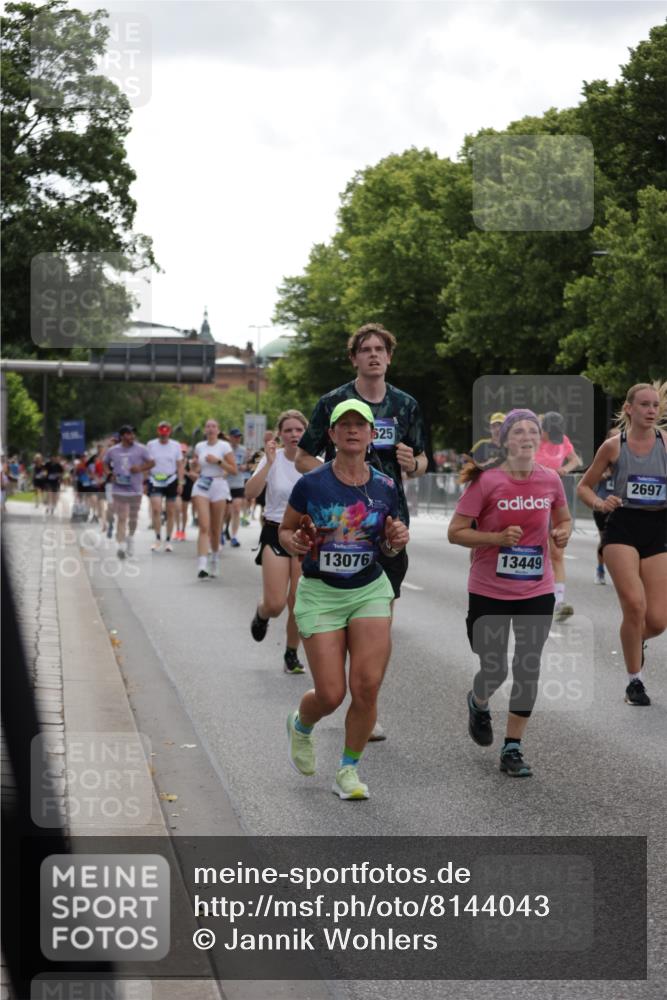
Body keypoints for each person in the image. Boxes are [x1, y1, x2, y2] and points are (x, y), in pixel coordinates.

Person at [295, 322, 426, 740]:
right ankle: (338, 696)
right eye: (365, 349)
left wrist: (413, 463)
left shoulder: (406, 405)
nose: (373, 355)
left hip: (387, 524)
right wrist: (331, 485)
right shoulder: (334, 402)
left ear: (389, 357)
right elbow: (302, 457)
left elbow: (423, 462)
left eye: (380, 349)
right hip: (337, 528)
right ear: (354, 358)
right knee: (342, 607)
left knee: (378, 616)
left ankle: (367, 703)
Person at [280, 400, 409, 799]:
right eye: (344, 425)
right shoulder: (312, 484)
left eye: (361, 424)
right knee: (331, 694)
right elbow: (285, 532)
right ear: (332, 435)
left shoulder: (386, 487)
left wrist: (394, 541)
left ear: (372, 436)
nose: (353, 430)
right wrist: (295, 540)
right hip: (321, 593)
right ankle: (301, 724)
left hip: (369, 588)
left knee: (367, 686)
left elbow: (391, 543)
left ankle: (348, 771)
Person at [448, 409, 572, 778]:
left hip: (536, 587)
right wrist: (496, 539)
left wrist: (562, 532)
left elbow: (563, 519)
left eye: (533, 431)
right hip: (489, 588)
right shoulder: (487, 481)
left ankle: (513, 747)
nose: (527, 437)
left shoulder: (550, 480)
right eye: (518, 431)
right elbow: (456, 532)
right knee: (495, 667)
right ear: (505, 441)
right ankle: (479, 700)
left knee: (527, 665)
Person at [577, 382, 667, 706]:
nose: (651, 410)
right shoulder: (614, 447)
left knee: (657, 620)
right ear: (629, 408)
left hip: (658, 528)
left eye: (655, 405)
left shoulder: (666, 444)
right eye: (644, 404)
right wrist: (600, 504)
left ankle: (634, 639)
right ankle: (635, 682)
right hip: (623, 527)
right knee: (634, 604)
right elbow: (584, 487)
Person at [246, 411, 309, 675]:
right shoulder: (272, 459)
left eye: (299, 430)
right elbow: (250, 492)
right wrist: (269, 463)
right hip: (275, 531)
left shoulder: (317, 460)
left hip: (305, 534)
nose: (294, 435)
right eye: (289, 430)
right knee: (276, 604)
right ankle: (262, 614)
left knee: (299, 601)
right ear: (280, 434)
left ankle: (291, 653)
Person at [533, 411, 581, 621]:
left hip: (555, 500)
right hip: (531, 500)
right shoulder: (532, 440)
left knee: (557, 553)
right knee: (531, 549)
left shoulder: (562, 440)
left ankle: (559, 602)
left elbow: (575, 460)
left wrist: (564, 469)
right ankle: (527, 596)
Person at [191, 419, 237, 578]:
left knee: (215, 529)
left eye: (213, 426)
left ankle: (214, 561)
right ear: (205, 430)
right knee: (204, 525)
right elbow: (196, 468)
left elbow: (234, 470)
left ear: (218, 430)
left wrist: (218, 461)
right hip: (202, 485)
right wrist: (193, 466)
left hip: (219, 485)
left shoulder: (224, 446)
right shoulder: (199, 446)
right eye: (208, 426)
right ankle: (202, 566)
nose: (210, 429)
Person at [104, 426, 154, 559]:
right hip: (119, 489)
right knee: (121, 517)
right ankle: (120, 546)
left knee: (133, 518)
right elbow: (105, 463)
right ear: (122, 436)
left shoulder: (141, 449)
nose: (132, 436)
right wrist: (110, 474)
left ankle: (130, 539)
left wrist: (140, 468)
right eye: (129, 434)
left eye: (133, 434)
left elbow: (152, 462)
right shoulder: (113, 450)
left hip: (135, 489)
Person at [146, 421, 184, 552]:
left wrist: (180, 482)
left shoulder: (175, 445)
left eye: (166, 433)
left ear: (169, 432)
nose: (164, 436)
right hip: (155, 479)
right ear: (158, 432)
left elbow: (180, 465)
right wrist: (145, 481)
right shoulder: (151, 445)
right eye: (161, 433)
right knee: (156, 509)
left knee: (171, 511)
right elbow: (147, 463)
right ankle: (157, 539)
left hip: (171, 479)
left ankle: (168, 540)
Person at [224, 428, 250, 547]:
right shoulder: (224, 449)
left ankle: (234, 536)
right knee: (225, 511)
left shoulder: (243, 450)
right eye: (235, 436)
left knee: (236, 509)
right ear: (230, 437)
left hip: (238, 483)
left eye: (239, 437)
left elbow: (247, 464)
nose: (237, 439)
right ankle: (222, 531)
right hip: (225, 483)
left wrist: (245, 466)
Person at [174, 443, 194, 540]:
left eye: (184, 452)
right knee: (177, 509)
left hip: (187, 486)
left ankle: (183, 531)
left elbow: (193, 474)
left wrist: (184, 471)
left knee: (184, 510)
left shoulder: (190, 463)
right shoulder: (175, 462)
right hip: (177, 486)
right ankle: (177, 530)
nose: (182, 453)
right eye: (181, 452)